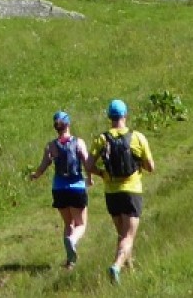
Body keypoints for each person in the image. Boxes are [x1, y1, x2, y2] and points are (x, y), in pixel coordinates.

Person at [89, 100, 155, 285]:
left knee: (122, 235)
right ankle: (117, 266)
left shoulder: (102, 139)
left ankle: (130, 270)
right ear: (125, 115)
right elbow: (151, 167)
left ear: (109, 117)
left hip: (112, 193)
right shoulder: (137, 137)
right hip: (131, 192)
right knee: (129, 236)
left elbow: (88, 164)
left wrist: (102, 173)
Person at [27, 110, 92, 268]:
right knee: (81, 224)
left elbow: (43, 166)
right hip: (76, 186)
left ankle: (70, 261)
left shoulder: (51, 146)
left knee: (67, 223)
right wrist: (90, 178)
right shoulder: (78, 142)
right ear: (68, 124)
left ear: (55, 127)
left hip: (59, 188)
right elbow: (86, 161)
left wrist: (35, 175)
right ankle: (73, 241)